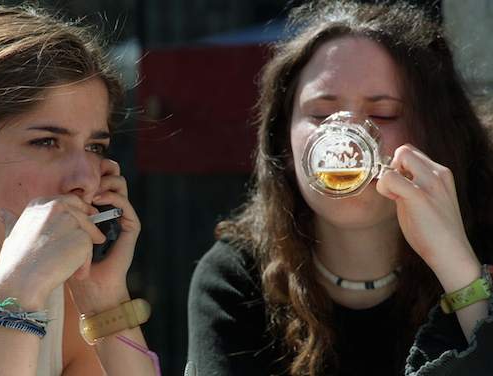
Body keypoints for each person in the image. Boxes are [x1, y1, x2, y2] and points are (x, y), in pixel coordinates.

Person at [187, 1, 493, 375]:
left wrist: (456, 267)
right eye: (320, 115)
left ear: (435, 135)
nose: (346, 140)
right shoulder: (235, 279)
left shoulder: (482, 246)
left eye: (383, 114)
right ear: (283, 141)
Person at [0, 4, 158, 376]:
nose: (85, 178)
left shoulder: (62, 300)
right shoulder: (31, 291)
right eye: (47, 142)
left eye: (95, 147)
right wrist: (11, 300)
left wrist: (104, 299)